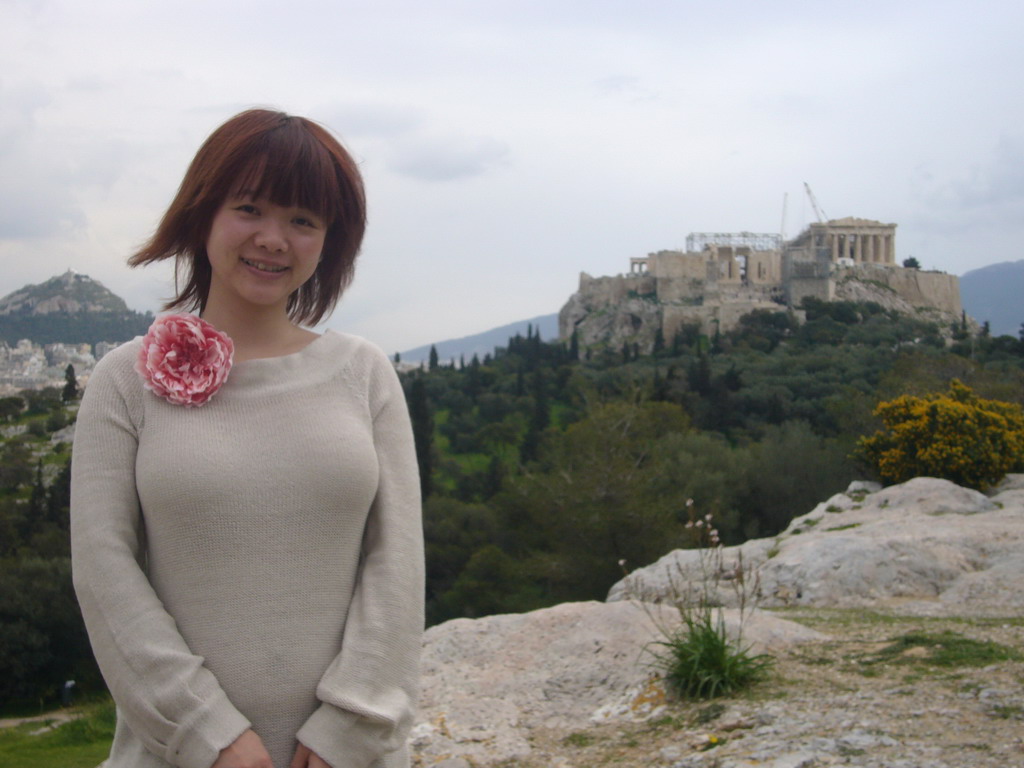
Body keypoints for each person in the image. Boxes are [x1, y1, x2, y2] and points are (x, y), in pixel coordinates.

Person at [70, 109, 424, 768]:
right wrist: (207, 734)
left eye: (303, 220)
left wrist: (352, 725)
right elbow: (103, 572)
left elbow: (396, 564)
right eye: (250, 209)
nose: (273, 239)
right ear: (202, 213)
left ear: (329, 241)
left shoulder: (364, 373)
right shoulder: (123, 381)